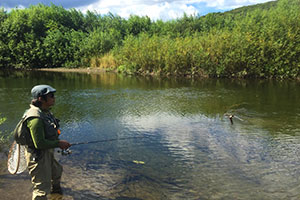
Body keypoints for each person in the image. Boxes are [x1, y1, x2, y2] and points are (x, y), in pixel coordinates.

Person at [23, 84, 71, 200]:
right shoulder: (35, 118)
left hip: (47, 152)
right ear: (41, 99)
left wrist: (58, 142)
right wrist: (59, 144)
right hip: (38, 156)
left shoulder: (45, 112)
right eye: (51, 96)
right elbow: (39, 144)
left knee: (56, 171)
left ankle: (57, 194)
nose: (54, 98)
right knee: (41, 189)